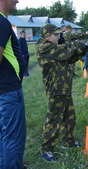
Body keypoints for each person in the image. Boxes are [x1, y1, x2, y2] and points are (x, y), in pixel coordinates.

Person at [35, 23, 88, 162]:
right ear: (46, 36)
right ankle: (46, 149)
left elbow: (70, 57)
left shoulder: (56, 48)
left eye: (59, 34)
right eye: (55, 34)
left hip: (64, 88)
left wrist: (87, 47)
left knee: (70, 117)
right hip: (55, 89)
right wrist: (85, 43)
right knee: (54, 119)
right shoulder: (43, 47)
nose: (59, 36)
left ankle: (68, 142)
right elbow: (67, 50)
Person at [0, 0, 26, 168]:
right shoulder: (1, 22)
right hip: (7, 92)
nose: (17, 0)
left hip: (4, 91)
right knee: (13, 138)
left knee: (4, 135)